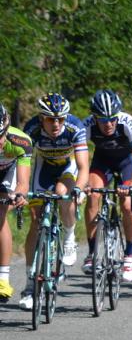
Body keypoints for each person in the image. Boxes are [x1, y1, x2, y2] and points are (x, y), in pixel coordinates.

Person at [19, 93, 89, 310]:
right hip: (43, 167)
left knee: (62, 192)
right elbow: (24, 163)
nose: (56, 123)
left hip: (67, 168)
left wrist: (79, 188)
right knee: (36, 221)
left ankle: (69, 236)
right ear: (41, 118)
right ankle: (30, 286)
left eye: (60, 118)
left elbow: (83, 166)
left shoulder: (74, 127)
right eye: (51, 119)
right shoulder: (31, 130)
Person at [82, 90, 132, 281]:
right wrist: (83, 182)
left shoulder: (128, 121)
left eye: (112, 119)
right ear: (95, 117)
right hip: (102, 163)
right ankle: (92, 252)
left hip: (128, 163)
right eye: (103, 120)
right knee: (93, 195)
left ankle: (129, 254)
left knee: (127, 204)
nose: (108, 124)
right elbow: (80, 158)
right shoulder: (87, 125)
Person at [0, 104, 32, 302]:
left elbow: (22, 183)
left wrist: (18, 195)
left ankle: (3, 279)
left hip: (9, 172)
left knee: (0, 211)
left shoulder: (20, 141)